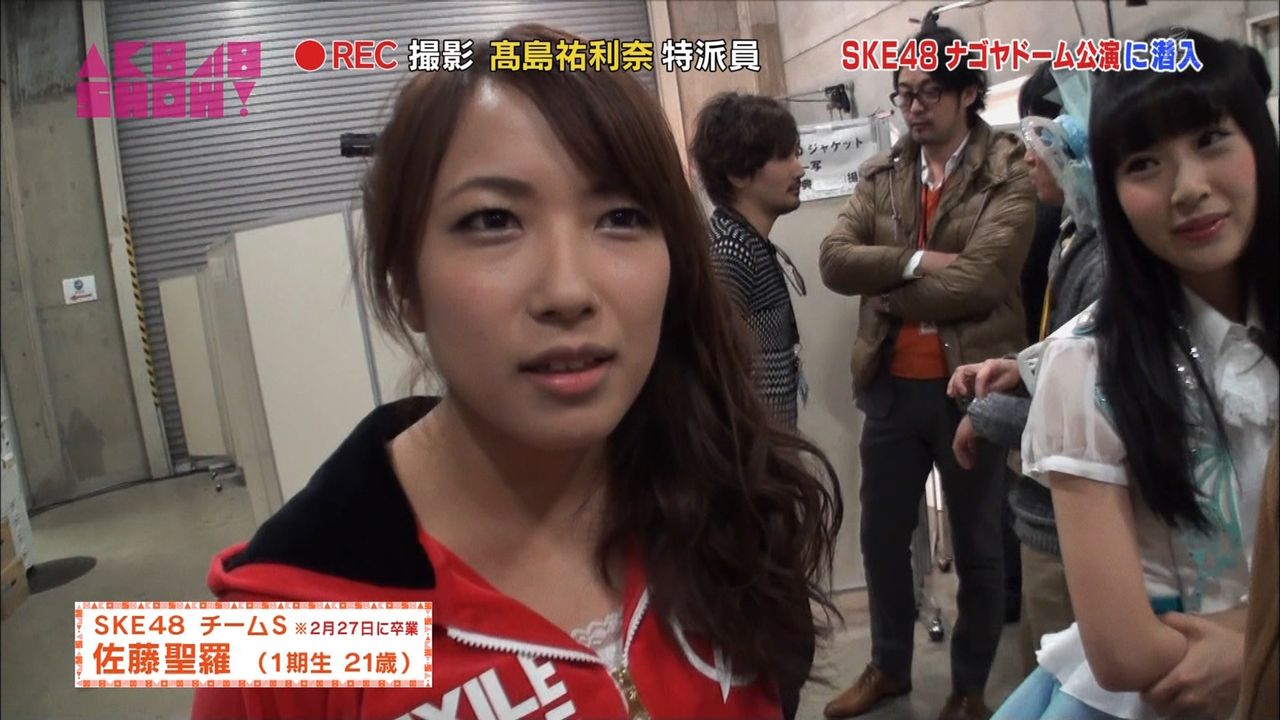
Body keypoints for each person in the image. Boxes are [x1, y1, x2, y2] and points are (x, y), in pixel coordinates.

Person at [191, 23, 842, 720]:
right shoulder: (293, 625)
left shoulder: (723, 502)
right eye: (493, 220)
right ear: (404, 280)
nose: (567, 291)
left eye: (622, 216)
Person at [994, 29, 1278, 720]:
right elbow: (1123, 649)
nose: (1189, 189)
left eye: (1211, 139)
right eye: (1144, 163)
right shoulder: (1087, 365)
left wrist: (1253, 647)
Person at [818, 23, 1035, 720]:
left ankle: (969, 686)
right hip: (890, 387)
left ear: (968, 93)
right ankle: (888, 667)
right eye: (903, 93)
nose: (913, 106)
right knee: (882, 539)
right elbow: (834, 260)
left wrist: (885, 288)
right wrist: (914, 260)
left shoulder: (1008, 171)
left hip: (971, 389)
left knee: (979, 545)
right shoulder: (884, 174)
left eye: (929, 92)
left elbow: (983, 280)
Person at [948, 62, 1105, 676]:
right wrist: (1020, 367)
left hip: (1077, 521)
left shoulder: (1103, 258)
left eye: (1039, 137)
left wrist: (989, 412)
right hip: (1051, 509)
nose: (1027, 156)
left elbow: (1094, 404)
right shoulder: (1073, 232)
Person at [690, 92, 808, 428]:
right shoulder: (731, 248)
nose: (799, 169)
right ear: (738, 173)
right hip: (746, 444)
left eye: (796, 153)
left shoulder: (746, 240)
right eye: (784, 157)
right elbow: (712, 368)